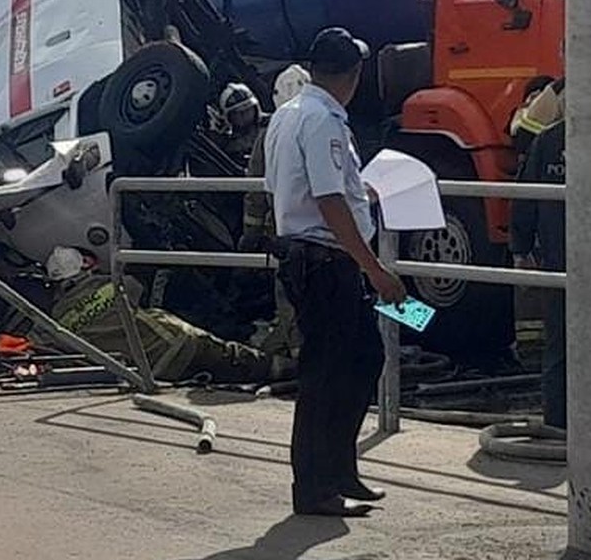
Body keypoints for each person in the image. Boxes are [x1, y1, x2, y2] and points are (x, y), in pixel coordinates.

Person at [264, 27, 406, 518]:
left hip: (310, 255)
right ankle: (316, 486)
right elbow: (326, 200)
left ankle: (339, 470)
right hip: (327, 261)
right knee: (327, 373)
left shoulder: (288, 114)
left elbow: (309, 189)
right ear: (353, 74)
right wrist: (376, 271)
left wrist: (358, 197)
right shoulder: (323, 120)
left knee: (362, 359)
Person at [42, 248, 270, 385]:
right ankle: (291, 369)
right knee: (242, 360)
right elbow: (141, 289)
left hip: (149, 371)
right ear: (86, 263)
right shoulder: (111, 284)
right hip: (176, 342)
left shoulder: (58, 319)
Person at [240, 65, 311, 362]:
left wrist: (251, 235)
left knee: (290, 296)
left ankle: (302, 357)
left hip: (288, 237)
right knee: (364, 289)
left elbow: (256, 192)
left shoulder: (270, 135)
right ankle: (415, 327)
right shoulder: (331, 123)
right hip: (341, 235)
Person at [510, 105, 568, 430]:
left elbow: (524, 197)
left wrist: (520, 247)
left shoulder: (548, 139)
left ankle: (557, 424)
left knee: (559, 344)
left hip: (558, 258)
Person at [219, 82, 265, 162]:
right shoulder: (227, 143)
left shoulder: (270, 126)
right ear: (229, 116)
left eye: (248, 109)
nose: (245, 115)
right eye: (238, 112)